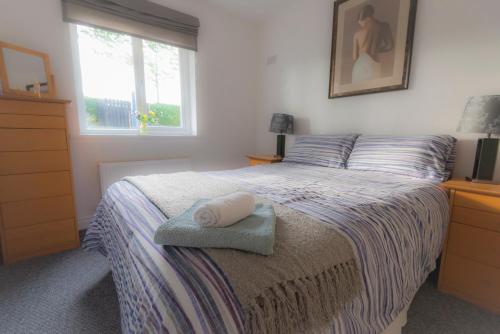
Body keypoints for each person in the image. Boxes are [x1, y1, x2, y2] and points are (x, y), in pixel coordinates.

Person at [352, 4, 394, 83]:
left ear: (365, 19)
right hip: (374, 62)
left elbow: (354, 57)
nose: (361, 25)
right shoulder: (384, 26)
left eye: (360, 23)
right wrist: (377, 49)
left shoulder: (357, 34)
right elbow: (390, 46)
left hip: (359, 65)